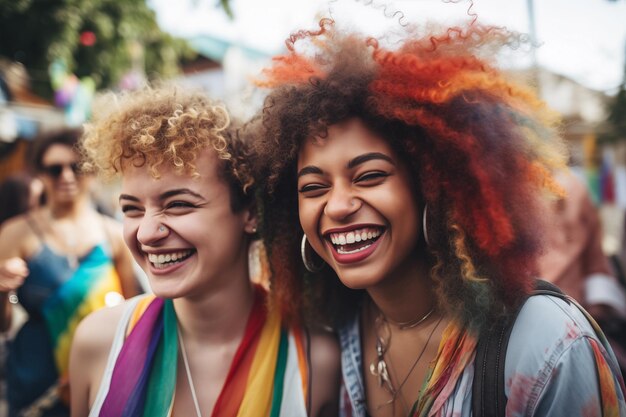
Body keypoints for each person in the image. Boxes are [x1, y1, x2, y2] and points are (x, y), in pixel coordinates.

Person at [249, 19, 626, 417]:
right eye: (313, 188)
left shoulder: (547, 344)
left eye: (370, 176)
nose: (338, 206)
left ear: (431, 185)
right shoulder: (329, 340)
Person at [70, 85, 340, 417]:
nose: (147, 232)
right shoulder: (97, 342)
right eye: (132, 209)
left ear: (251, 212)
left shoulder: (317, 363)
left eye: (179, 204)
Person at [0, 128, 140, 417]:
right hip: (37, 377)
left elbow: (134, 314)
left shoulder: (114, 234)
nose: (66, 176)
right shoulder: (17, 233)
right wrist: (4, 293)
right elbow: (3, 324)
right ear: (39, 174)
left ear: (90, 171)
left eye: (75, 167)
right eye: (54, 169)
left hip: (100, 371)